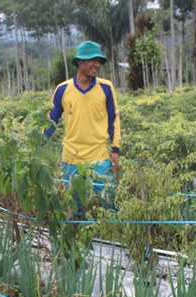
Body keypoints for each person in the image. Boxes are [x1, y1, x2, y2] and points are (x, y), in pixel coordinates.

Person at [45, 41, 121, 219]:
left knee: (109, 202)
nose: (97, 64)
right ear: (79, 62)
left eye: (99, 61)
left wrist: (116, 149)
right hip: (72, 158)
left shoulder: (106, 87)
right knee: (75, 205)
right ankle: (76, 240)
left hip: (100, 158)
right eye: (92, 60)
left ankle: (114, 239)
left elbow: (114, 119)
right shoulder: (63, 89)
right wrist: (37, 145)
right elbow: (50, 121)